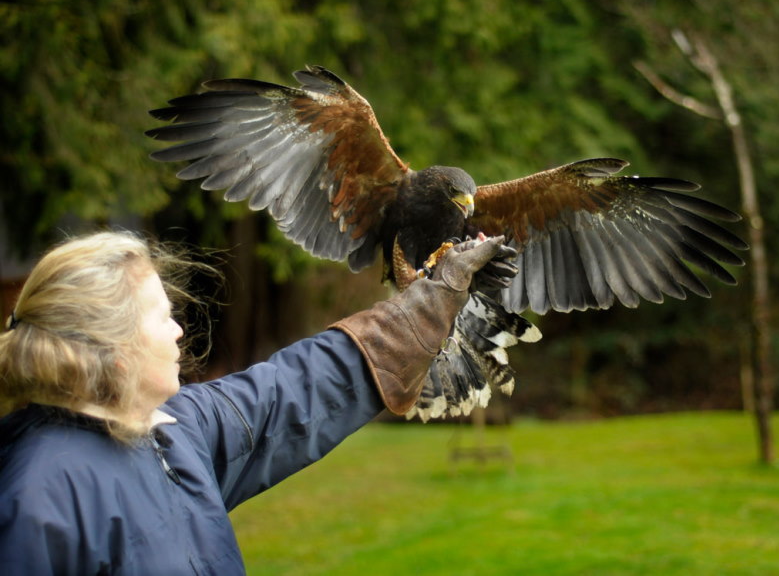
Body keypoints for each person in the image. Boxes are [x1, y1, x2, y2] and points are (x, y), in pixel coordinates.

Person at [0, 230, 512, 575]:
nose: (179, 331)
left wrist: (430, 302)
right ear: (114, 351)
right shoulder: (36, 496)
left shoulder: (174, 429)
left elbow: (292, 391)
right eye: (161, 318)